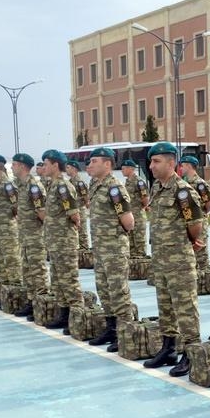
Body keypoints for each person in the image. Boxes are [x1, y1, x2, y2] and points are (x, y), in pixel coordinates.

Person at [143, 143, 204, 377]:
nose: (151, 166)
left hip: (179, 259)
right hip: (161, 259)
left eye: (156, 161)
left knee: (185, 307)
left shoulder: (183, 191)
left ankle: (191, 352)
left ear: (171, 163)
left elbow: (195, 225)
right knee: (165, 306)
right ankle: (168, 347)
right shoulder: (157, 188)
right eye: (151, 162)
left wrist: (186, 241)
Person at [86, 147, 136, 351]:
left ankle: (125, 333)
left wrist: (115, 237)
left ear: (107, 164)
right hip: (100, 247)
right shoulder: (95, 185)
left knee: (118, 292)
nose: (90, 165)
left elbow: (129, 221)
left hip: (114, 248)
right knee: (104, 290)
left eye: (94, 161)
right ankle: (111, 329)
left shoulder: (114, 188)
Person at [41, 149, 84, 332]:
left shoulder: (63, 187)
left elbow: (74, 215)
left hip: (64, 241)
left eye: (45, 164)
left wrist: (67, 232)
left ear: (55, 165)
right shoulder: (53, 185)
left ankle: (78, 319)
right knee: (58, 281)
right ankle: (64, 315)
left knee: (69, 281)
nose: (43, 168)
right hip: (55, 241)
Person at [12, 153, 50, 320]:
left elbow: (42, 213)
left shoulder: (33, 186)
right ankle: (31, 300)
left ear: (22, 166)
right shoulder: (21, 185)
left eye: (14, 164)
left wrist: (41, 234)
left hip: (35, 235)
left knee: (38, 270)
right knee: (27, 269)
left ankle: (41, 303)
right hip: (25, 235)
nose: (12, 167)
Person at [0, 154, 23, 291]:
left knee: (12, 261)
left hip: (7, 230)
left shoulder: (7, 185)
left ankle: (16, 290)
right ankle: (5, 292)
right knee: (2, 262)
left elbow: (17, 206)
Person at [178, 155, 210, 274]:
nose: (180, 168)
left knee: (201, 253)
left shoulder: (199, 183)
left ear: (188, 165)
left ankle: (206, 278)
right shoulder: (183, 183)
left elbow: (208, 203)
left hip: (199, 222)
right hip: (188, 222)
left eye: (182, 166)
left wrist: (202, 214)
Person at [121, 159, 150, 257]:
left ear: (131, 169)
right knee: (131, 242)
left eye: (124, 168)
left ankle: (141, 264)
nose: (122, 170)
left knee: (139, 241)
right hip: (130, 216)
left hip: (138, 215)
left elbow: (145, 198)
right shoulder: (127, 182)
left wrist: (140, 207)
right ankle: (134, 264)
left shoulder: (139, 182)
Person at [66, 159, 91, 250]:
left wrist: (85, 208)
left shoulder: (79, 182)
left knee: (82, 234)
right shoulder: (69, 181)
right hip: (73, 211)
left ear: (74, 169)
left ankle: (85, 255)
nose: (66, 169)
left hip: (80, 210)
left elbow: (86, 198)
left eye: (68, 167)